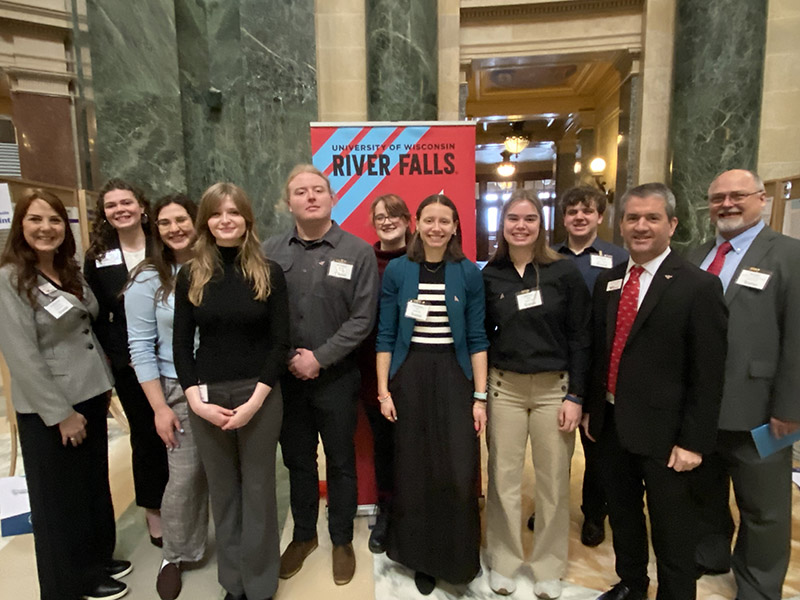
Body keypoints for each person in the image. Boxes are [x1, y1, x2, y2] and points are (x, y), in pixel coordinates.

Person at [584, 183, 727, 600]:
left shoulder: (698, 287)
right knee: (624, 517)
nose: (641, 226)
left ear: (672, 224)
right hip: (612, 426)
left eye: (652, 218)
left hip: (668, 435)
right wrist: (594, 409)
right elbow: (600, 351)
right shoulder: (608, 282)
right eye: (632, 218)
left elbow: (709, 373)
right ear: (621, 225)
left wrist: (693, 442)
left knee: (673, 526)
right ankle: (631, 583)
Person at [0, 190, 130, 600]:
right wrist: (60, 414)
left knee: (90, 486)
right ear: (21, 225)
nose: (46, 228)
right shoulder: (10, 278)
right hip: (52, 406)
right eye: (35, 220)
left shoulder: (68, 268)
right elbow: (22, 355)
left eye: (54, 220)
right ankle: (69, 584)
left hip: (89, 393)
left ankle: (95, 559)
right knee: (58, 501)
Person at [172, 183, 288, 600]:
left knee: (258, 491)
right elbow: (181, 346)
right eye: (217, 213)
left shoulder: (268, 271)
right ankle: (233, 582)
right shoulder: (191, 274)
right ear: (206, 221)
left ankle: (259, 585)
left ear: (246, 220)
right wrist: (195, 402)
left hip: (260, 394)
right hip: (207, 396)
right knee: (223, 492)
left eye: (234, 212)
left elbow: (280, 343)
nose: (226, 220)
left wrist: (255, 400)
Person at [264, 164, 378, 586]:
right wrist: (292, 357)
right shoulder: (269, 251)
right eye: (300, 191)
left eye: (318, 190)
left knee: (341, 459)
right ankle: (305, 535)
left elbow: (363, 318)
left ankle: (342, 538)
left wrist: (320, 357)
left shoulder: (358, 251)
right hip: (286, 379)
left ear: (332, 198)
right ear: (288, 202)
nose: (310, 197)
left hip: (337, 377)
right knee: (297, 461)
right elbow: (262, 313)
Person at [689, 169, 800, 600]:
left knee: (765, 507)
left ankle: (758, 584)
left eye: (738, 196)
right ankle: (710, 553)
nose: (727, 205)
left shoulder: (789, 255)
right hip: (704, 408)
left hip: (763, 409)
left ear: (761, 199)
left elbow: (797, 338)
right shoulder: (697, 255)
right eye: (718, 198)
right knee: (705, 492)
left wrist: (791, 407)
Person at [376, 194, 489, 596]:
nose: (437, 227)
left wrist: (480, 397)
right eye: (429, 220)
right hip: (410, 375)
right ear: (417, 224)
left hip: (455, 376)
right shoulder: (399, 271)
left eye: (445, 221)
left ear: (456, 227)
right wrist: (383, 390)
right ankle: (421, 558)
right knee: (414, 468)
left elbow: (477, 338)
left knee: (457, 471)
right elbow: (386, 334)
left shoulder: (468, 272)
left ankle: (456, 558)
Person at [483, 189, 591, 600]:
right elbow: (481, 335)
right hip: (504, 387)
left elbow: (581, 337)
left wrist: (576, 395)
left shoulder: (564, 273)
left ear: (541, 225)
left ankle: (548, 566)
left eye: (529, 218)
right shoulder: (490, 275)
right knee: (504, 480)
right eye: (513, 218)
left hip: (555, 390)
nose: (521, 226)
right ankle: (505, 561)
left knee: (552, 483)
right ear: (503, 224)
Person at [124, 194, 208, 600]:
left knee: (231, 475)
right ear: (154, 229)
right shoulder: (147, 279)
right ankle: (174, 555)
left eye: (182, 219)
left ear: (198, 221)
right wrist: (158, 406)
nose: (175, 228)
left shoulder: (219, 266)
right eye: (164, 222)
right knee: (185, 474)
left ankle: (235, 547)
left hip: (227, 383)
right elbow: (139, 347)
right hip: (176, 387)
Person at [84, 179, 169, 545]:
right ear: (104, 213)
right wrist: (119, 357)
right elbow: (96, 314)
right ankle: (155, 512)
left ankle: (188, 504)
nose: (120, 209)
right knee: (147, 437)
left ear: (141, 205)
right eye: (111, 205)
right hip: (129, 364)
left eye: (126, 202)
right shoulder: (98, 254)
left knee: (181, 435)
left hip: (171, 355)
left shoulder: (163, 242)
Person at [553, 185, 628, 547]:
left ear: (601, 215)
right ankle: (552, 509)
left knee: (596, 448)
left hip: (601, 366)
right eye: (572, 211)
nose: (579, 217)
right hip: (555, 363)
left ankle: (594, 514)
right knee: (553, 446)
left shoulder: (620, 258)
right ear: (563, 217)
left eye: (587, 211)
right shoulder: (548, 255)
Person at [357, 193, 412, 554]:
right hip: (370, 368)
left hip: (418, 367)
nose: (387, 221)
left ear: (409, 221)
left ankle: (416, 515)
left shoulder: (425, 258)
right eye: (380, 216)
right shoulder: (364, 260)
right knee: (384, 445)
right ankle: (388, 510)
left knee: (418, 445)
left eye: (394, 215)